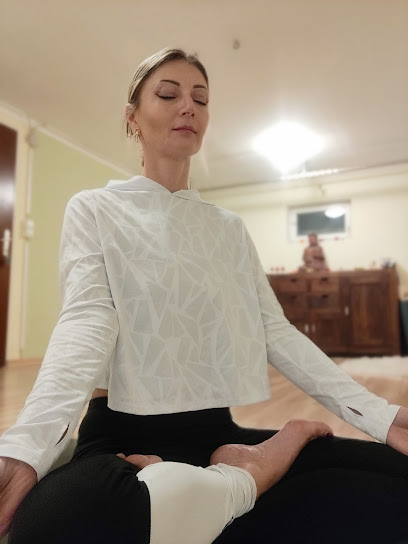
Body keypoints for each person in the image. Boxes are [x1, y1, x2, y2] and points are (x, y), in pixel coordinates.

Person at [1, 47, 408, 544]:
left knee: (397, 476)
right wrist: (26, 447)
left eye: (201, 98)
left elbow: (274, 331)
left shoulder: (228, 228)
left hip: (218, 438)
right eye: (168, 94)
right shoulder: (95, 209)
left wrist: (379, 414)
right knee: (50, 523)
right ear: (132, 118)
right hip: (121, 441)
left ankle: (208, 495)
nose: (188, 107)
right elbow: (88, 319)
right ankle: (245, 481)